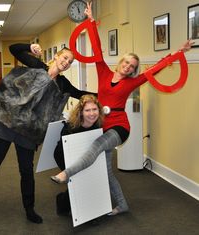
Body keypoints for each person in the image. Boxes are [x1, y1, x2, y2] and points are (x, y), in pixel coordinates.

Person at [51, 2, 194, 215]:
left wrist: (178, 52)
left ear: (133, 70)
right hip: (102, 123)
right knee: (107, 172)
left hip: (119, 127)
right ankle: (122, 205)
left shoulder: (131, 83)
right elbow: (97, 48)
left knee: (95, 147)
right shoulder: (104, 73)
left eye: (132, 67)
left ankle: (66, 174)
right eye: (126, 63)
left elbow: (155, 68)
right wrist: (90, 21)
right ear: (121, 62)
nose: (128, 67)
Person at [0, 43, 95, 226]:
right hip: (7, 122)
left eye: (70, 61)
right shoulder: (37, 65)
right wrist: (29, 46)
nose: (66, 62)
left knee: (26, 170)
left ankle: (29, 209)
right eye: (64, 58)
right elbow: (14, 50)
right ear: (56, 56)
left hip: (28, 131)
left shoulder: (63, 84)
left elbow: (80, 93)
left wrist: (107, 92)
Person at [53, 94, 129, 217]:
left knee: (85, 179)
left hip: (85, 155)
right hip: (64, 155)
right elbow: (65, 148)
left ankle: (89, 213)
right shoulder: (71, 127)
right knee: (77, 180)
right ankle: (63, 202)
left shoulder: (98, 125)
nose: (92, 113)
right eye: (87, 110)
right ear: (81, 112)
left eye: (95, 109)